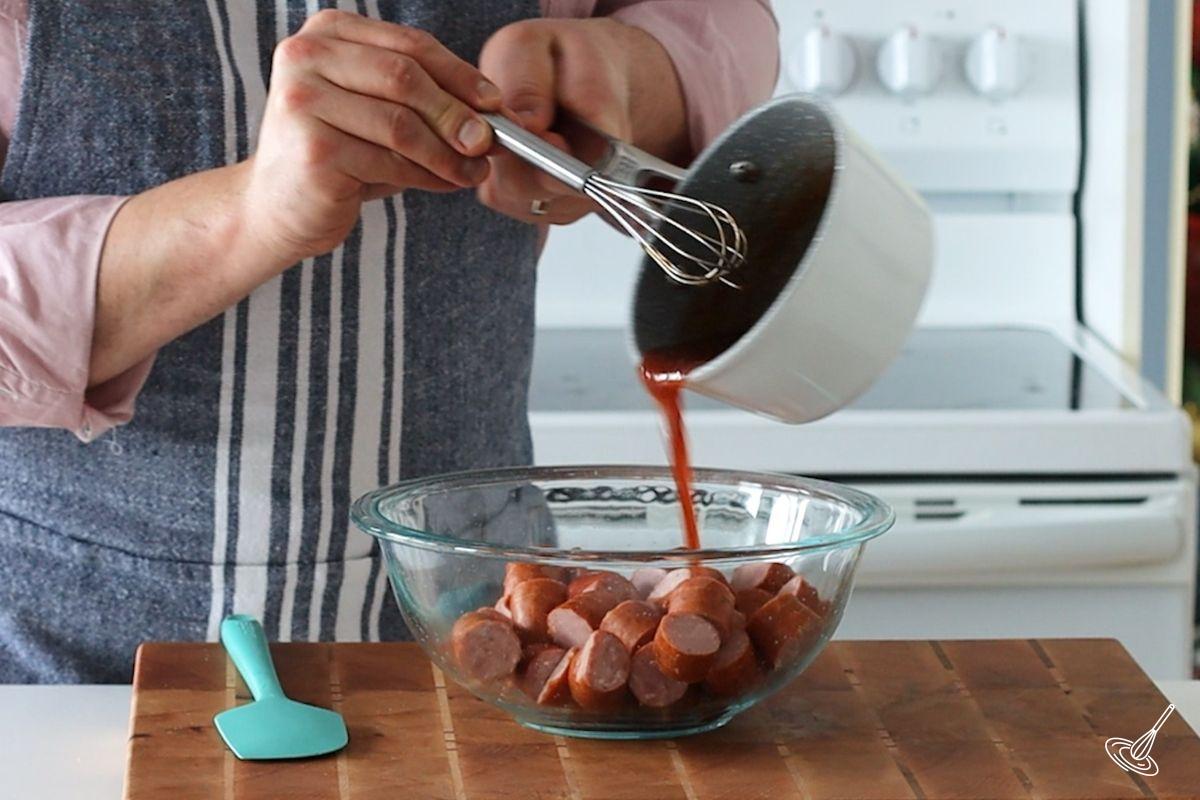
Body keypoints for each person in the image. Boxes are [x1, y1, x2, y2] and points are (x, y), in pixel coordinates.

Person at [0, 0, 778, 683]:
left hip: (497, 634)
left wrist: (641, 69)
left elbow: (715, 16)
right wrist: (244, 218)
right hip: (69, 671)